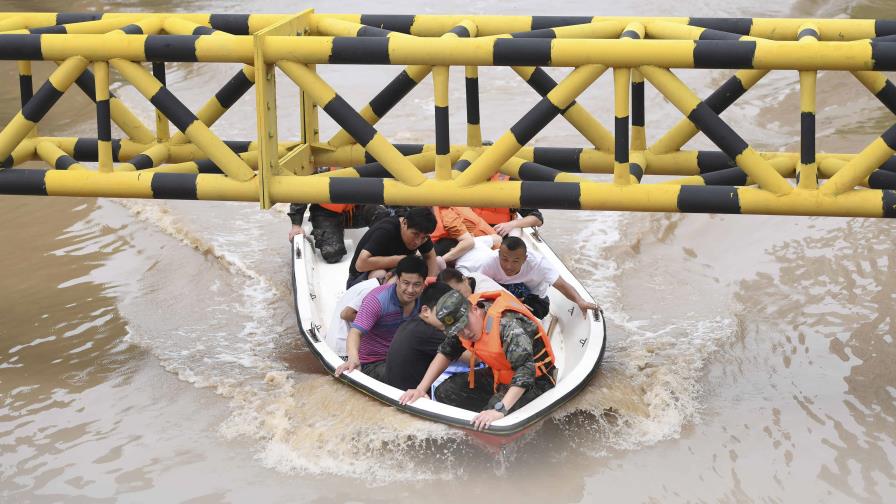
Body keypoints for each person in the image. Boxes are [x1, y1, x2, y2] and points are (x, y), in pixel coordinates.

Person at [399, 289, 557, 431]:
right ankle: (468, 427)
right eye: (458, 330)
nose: (465, 332)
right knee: (445, 392)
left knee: (489, 422)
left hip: (536, 381)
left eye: (465, 324)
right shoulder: (461, 325)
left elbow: (525, 371)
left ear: (474, 309)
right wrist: (420, 389)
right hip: (500, 376)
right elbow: (446, 352)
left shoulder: (507, 325)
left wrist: (499, 410)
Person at [335, 255, 428, 381]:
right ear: (398, 280)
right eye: (406, 283)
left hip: (405, 356)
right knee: (407, 376)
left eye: (417, 284)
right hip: (374, 362)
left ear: (423, 284)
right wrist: (353, 359)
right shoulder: (377, 300)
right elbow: (355, 332)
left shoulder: (425, 298)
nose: (410, 290)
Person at [473, 236, 601, 319]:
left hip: (531, 297)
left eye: (515, 261)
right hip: (500, 293)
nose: (508, 266)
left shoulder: (538, 263)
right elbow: (477, 285)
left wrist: (580, 301)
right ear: (499, 254)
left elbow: (561, 284)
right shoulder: (490, 262)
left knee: (540, 312)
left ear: (525, 259)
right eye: (504, 259)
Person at [383, 281, 454, 391]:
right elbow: (471, 357)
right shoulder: (427, 333)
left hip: (394, 390)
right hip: (410, 397)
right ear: (425, 311)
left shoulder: (414, 324)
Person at [346, 207, 439, 289]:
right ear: (404, 223)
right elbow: (360, 265)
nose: (418, 242)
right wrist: (399, 260)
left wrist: (427, 282)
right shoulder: (386, 231)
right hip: (358, 280)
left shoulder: (421, 233)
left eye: (424, 237)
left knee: (438, 262)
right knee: (381, 274)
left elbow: (430, 257)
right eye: (415, 234)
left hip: (393, 270)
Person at [287, 202, 385, 264]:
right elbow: (303, 187)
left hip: (357, 206)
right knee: (333, 255)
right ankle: (334, 230)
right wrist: (296, 225)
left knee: (382, 216)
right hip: (325, 211)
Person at [323, 272, 393, 356]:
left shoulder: (370, 284)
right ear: (388, 276)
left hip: (336, 343)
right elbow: (346, 314)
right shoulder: (373, 289)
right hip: (344, 349)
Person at [472, 174, 545, 236]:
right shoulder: (468, 179)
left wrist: (511, 224)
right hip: (471, 229)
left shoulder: (511, 182)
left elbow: (537, 219)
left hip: (498, 232)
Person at [430, 206, 497, 264]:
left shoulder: (447, 216)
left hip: (489, 252)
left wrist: (441, 261)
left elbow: (469, 242)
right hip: (491, 242)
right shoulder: (458, 201)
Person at [437, 267, 504, 296]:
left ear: (465, 279)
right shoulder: (472, 275)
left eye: (458, 292)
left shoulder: (482, 296)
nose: (457, 299)